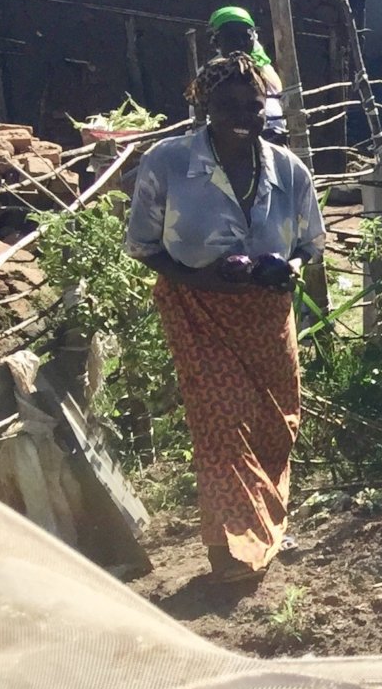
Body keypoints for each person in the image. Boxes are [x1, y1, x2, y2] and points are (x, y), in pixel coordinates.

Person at [126, 52, 325, 583]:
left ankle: (261, 525)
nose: (243, 113)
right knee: (221, 426)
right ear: (203, 105)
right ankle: (228, 552)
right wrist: (206, 278)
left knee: (275, 424)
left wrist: (286, 268)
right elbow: (143, 246)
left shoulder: (287, 169)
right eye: (228, 103)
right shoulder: (168, 163)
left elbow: (310, 244)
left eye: (253, 105)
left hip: (266, 313)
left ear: (267, 108)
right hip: (198, 310)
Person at [204, 6, 289, 146]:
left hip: (272, 141)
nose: (241, 42)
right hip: (226, 146)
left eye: (246, 36)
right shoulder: (210, 74)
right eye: (231, 36)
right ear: (216, 41)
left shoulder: (266, 70)